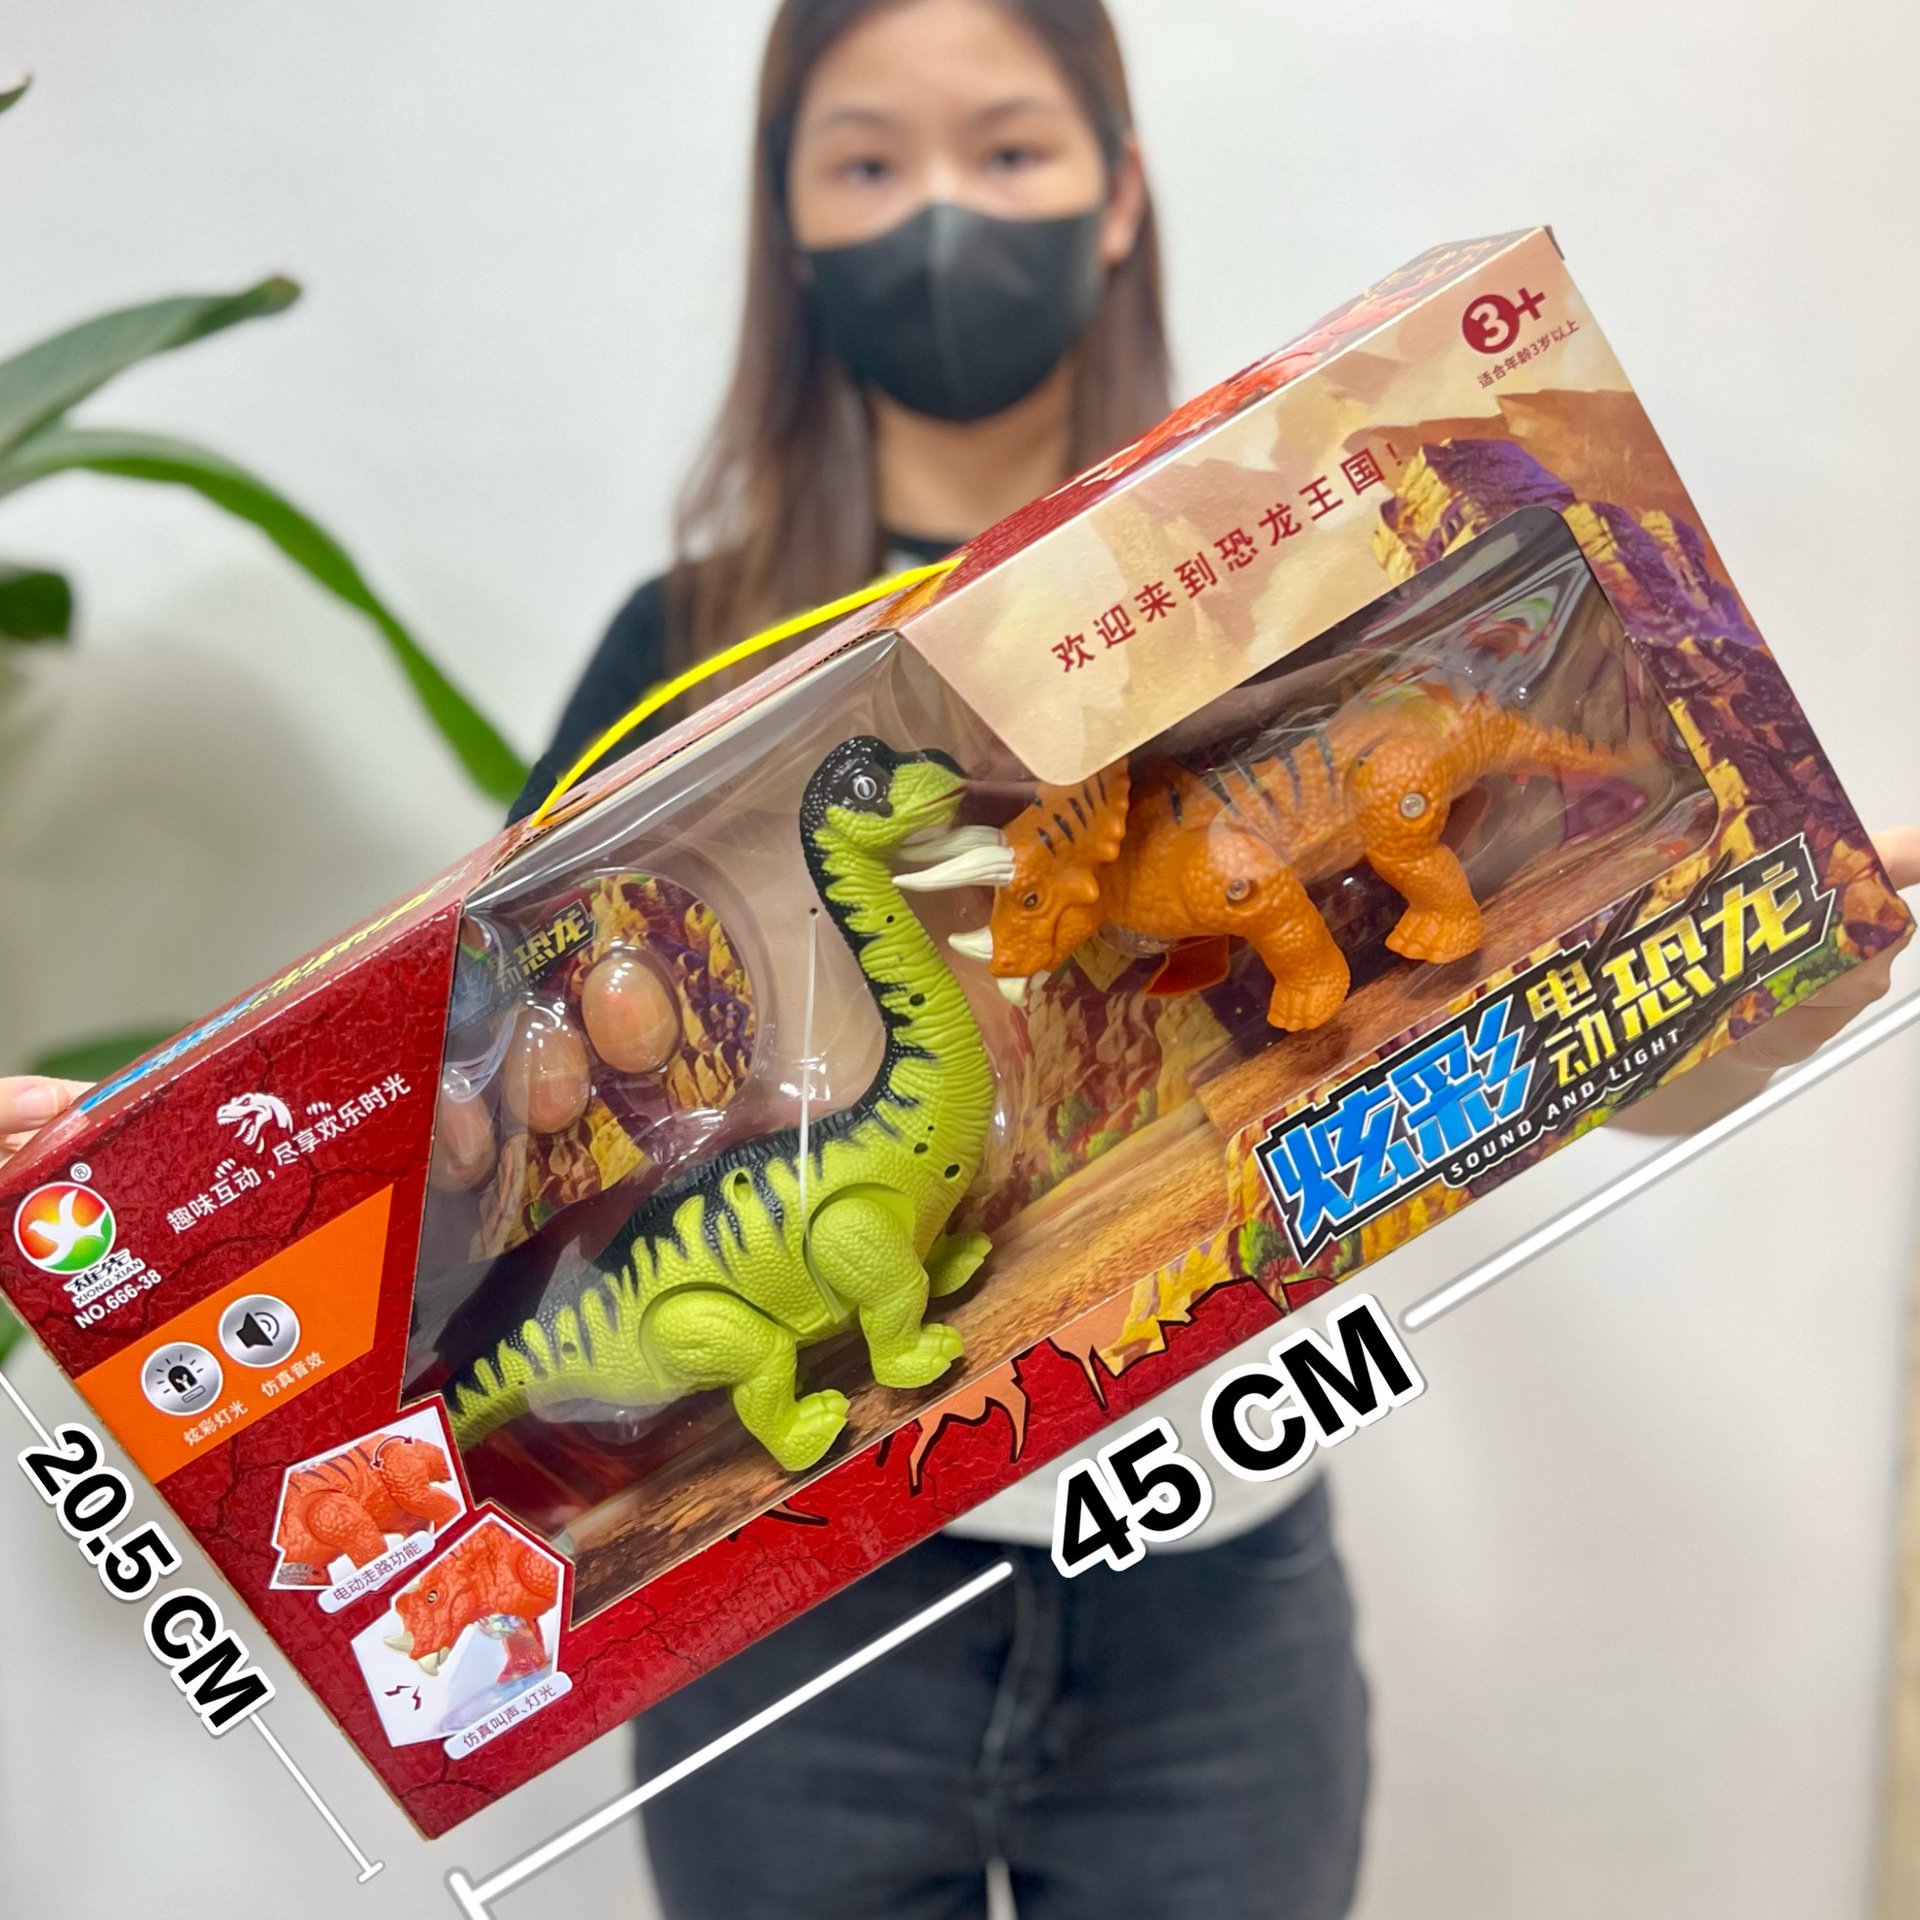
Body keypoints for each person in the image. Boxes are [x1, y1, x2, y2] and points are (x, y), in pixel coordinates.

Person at [3, 4, 1915, 1915]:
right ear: (788, 213)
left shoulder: (1277, 587)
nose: (940, 214)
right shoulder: (680, 651)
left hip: (1217, 1588)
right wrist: (170, 1190)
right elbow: (462, 1082)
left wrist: (1785, 966)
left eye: (1007, 149)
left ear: (1117, 195)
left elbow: (1559, 1034)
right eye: (867, 160)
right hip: (803, 1638)